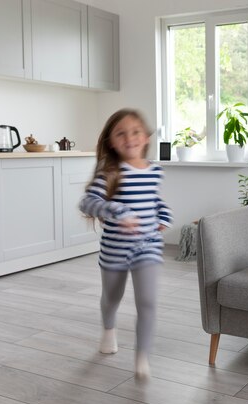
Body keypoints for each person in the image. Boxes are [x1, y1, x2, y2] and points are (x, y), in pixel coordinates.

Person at [79, 108, 173, 380]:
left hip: (148, 246)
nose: (129, 138)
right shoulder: (109, 173)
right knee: (112, 297)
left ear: (145, 138)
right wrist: (117, 211)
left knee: (148, 302)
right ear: (111, 141)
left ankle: (142, 357)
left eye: (135, 132)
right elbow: (88, 203)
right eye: (121, 133)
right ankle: (109, 329)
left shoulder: (155, 171)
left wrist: (164, 214)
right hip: (115, 250)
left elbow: (154, 201)